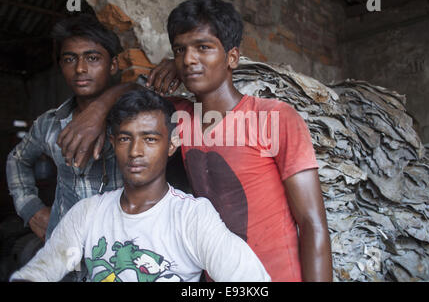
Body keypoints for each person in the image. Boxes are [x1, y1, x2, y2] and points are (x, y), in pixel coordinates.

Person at [56, 0, 333, 282]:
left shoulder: (273, 118)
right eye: (180, 50)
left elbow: (313, 224)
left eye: (203, 47)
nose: (189, 59)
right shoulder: (177, 117)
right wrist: (97, 111)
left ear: (233, 57)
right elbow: (131, 94)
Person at [9, 88, 270, 282]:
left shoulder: (192, 217)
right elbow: (39, 274)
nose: (135, 151)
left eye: (150, 139)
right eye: (125, 139)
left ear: (172, 144)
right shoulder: (88, 213)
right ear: (112, 142)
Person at [6, 14, 132, 244]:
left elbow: (146, 86)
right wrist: (30, 208)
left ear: (113, 64)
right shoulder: (49, 123)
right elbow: (17, 159)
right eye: (69, 59)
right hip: (67, 253)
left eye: (92, 58)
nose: (80, 69)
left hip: (121, 252)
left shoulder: (136, 118)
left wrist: (101, 108)